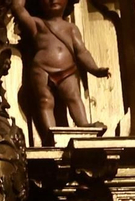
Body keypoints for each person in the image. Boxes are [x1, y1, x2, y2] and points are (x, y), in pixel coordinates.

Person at [11, 0, 109, 145]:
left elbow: (82, 52)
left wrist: (95, 69)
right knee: (45, 101)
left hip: (67, 70)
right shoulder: (38, 24)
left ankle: (84, 126)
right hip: (42, 70)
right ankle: (50, 133)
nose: (53, 0)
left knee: (74, 97)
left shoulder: (71, 28)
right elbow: (17, 8)